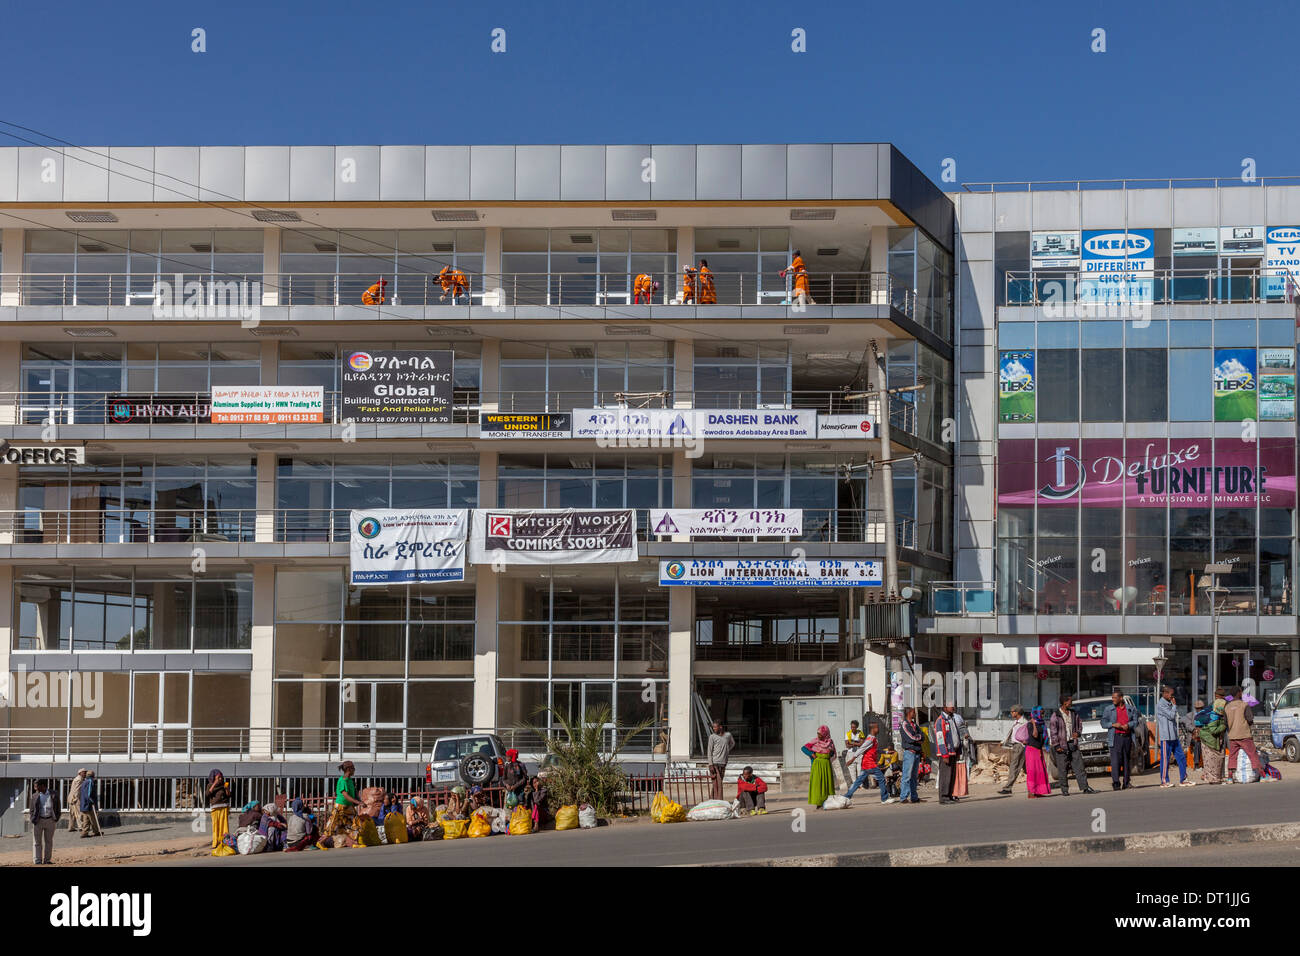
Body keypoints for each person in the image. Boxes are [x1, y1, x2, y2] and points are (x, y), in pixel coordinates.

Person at [1048, 694, 1097, 795]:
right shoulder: (1056, 715)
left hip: (1073, 744)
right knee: (1062, 769)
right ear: (1065, 702)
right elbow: (1053, 732)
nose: (1072, 703)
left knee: (1079, 767)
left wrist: (1078, 733)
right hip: (1061, 746)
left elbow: (1080, 725)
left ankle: (1085, 787)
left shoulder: (1074, 713)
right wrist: (1057, 746)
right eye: (1070, 701)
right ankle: (1064, 790)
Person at [844, 721, 895, 804]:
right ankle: (884, 799)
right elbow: (862, 748)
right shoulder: (870, 739)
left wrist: (886, 752)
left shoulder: (873, 738)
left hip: (866, 764)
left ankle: (846, 797)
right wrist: (852, 759)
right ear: (873, 729)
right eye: (877, 727)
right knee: (881, 778)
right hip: (870, 763)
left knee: (858, 781)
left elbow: (875, 750)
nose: (878, 729)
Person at [318, 759, 363, 847]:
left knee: (355, 822)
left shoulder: (350, 780)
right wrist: (358, 802)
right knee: (332, 824)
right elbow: (345, 795)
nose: (355, 770)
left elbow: (353, 794)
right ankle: (320, 842)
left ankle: (355, 842)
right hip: (340, 806)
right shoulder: (343, 781)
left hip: (349, 806)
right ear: (349, 769)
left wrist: (359, 801)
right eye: (353, 768)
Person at [1156, 685, 1194, 788]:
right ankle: (1164, 781)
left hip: (1174, 736)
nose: (1173, 697)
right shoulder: (1161, 704)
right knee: (1165, 760)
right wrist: (1174, 706)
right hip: (1166, 737)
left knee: (1181, 757)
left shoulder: (1169, 703)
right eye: (1171, 695)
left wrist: (1173, 706)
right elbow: (1171, 715)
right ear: (1165, 693)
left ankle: (1184, 779)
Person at [1224, 685, 1264, 781]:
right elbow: (1250, 719)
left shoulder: (1227, 707)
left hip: (1232, 736)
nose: (1242, 693)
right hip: (1244, 734)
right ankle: (1263, 775)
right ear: (1238, 693)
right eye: (1241, 692)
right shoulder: (1244, 705)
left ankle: (1230, 777)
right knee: (1252, 754)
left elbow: (1225, 723)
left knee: (1232, 756)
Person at [1100, 691, 1135, 791]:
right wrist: (1113, 724)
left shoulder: (1130, 709)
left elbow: (1135, 721)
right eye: (1112, 698)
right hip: (1115, 738)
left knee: (1126, 760)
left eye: (1115, 697)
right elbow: (1103, 722)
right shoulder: (1109, 709)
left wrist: (1128, 725)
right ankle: (1116, 783)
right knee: (1115, 761)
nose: (1113, 699)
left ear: (1121, 698)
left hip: (1127, 737)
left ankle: (1126, 782)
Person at [933, 702, 965, 805]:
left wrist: (958, 750)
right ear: (945, 707)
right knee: (945, 776)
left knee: (952, 775)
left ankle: (950, 795)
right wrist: (944, 754)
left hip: (953, 752)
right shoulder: (940, 721)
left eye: (953, 706)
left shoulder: (952, 719)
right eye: (951, 706)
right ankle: (944, 797)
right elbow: (940, 739)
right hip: (946, 753)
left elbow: (956, 735)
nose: (953, 708)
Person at [802, 725, 837, 806]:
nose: (818, 736)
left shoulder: (830, 742)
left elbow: (833, 753)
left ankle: (827, 801)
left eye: (820, 734)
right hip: (817, 765)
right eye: (818, 734)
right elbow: (803, 748)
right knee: (818, 784)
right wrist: (811, 754)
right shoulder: (815, 741)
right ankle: (818, 803)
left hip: (827, 765)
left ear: (825, 734)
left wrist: (830, 754)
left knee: (827, 783)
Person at [28, 779, 61, 864]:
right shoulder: (35, 795)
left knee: (49, 841)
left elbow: (58, 808)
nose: (35, 788)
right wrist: (32, 819)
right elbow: (31, 809)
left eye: (36, 786)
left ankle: (47, 860)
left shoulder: (54, 794)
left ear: (43, 786)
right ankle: (37, 860)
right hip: (38, 821)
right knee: (37, 842)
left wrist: (56, 818)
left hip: (50, 820)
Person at [1199, 689, 1228, 784]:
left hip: (1208, 737)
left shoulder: (1213, 707)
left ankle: (1212, 777)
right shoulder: (1215, 713)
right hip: (1209, 738)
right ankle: (1213, 778)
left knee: (1211, 758)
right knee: (1213, 758)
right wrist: (1224, 725)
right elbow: (1213, 729)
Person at [998, 705, 1028, 794]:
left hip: (1020, 746)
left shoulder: (1024, 723)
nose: (1011, 713)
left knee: (1014, 767)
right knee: (1025, 768)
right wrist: (1003, 741)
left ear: (1017, 712)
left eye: (1012, 711)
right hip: (1015, 746)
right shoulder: (1016, 722)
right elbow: (1010, 733)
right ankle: (1038, 783)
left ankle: (1008, 788)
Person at [1024, 707, 1052, 797]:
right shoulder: (1030, 724)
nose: (1043, 715)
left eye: (1043, 713)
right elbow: (1035, 735)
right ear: (1036, 713)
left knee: (1040, 771)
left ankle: (1038, 791)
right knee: (1032, 772)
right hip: (1031, 750)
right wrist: (1034, 724)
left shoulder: (1042, 723)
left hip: (1038, 750)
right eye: (1041, 713)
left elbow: (1043, 737)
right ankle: (1030, 792)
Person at [898, 707, 924, 804]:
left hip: (916, 753)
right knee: (906, 776)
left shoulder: (914, 725)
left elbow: (922, 735)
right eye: (913, 712)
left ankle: (914, 797)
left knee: (914, 777)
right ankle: (903, 797)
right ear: (909, 713)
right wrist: (918, 738)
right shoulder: (905, 725)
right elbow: (911, 738)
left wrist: (918, 737)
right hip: (909, 753)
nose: (915, 714)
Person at [706, 721, 735, 800]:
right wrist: (710, 764)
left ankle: (712, 799)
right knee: (718, 783)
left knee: (717, 783)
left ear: (720, 727)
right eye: (713, 727)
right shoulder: (712, 737)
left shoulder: (728, 735)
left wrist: (727, 750)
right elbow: (709, 751)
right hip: (714, 763)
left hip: (723, 762)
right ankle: (719, 800)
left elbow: (732, 743)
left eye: (715, 727)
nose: (714, 729)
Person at [206, 769, 231, 853]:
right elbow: (207, 794)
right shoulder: (210, 785)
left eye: (221, 776)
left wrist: (227, 789)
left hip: (224, 807)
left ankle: (225, 842)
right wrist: (214, 784)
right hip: (215, 808)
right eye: (218, 776)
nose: (220, 778)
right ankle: (215, 843)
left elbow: (228, 795)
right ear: (214, 777)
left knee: (224, 826)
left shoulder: (224, 785)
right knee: (216, 826)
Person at [79, 770, 102, 837]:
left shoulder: (84, 782)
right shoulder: (90, 782)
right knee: (93, 818)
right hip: (88, 804)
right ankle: (96, 831)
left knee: (86, 818)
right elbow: (88, 794)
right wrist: (91, 801)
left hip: (84, 804)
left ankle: (84, 833)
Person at [1185, 699, 1206, 768]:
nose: (1199, 710)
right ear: (1195, 708)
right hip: (1193, 737)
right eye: (1198, 708)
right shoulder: (1189, 715)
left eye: (1201, 708)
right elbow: (1188, 726)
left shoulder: (1206, 715)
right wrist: (1194, 730)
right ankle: (1196, 763)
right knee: (1198, 743)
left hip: (1204, 736)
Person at [66, 769, 88, 833]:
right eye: (84, 772)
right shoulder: (79, 779)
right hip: (75, 798)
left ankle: (71, 827)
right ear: (80, 773)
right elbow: (77, 790)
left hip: (71, 798)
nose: (85, 774)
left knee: (72, 814)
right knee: (79, 813)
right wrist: (75, 798)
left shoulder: (77, 778)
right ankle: (81, 827)